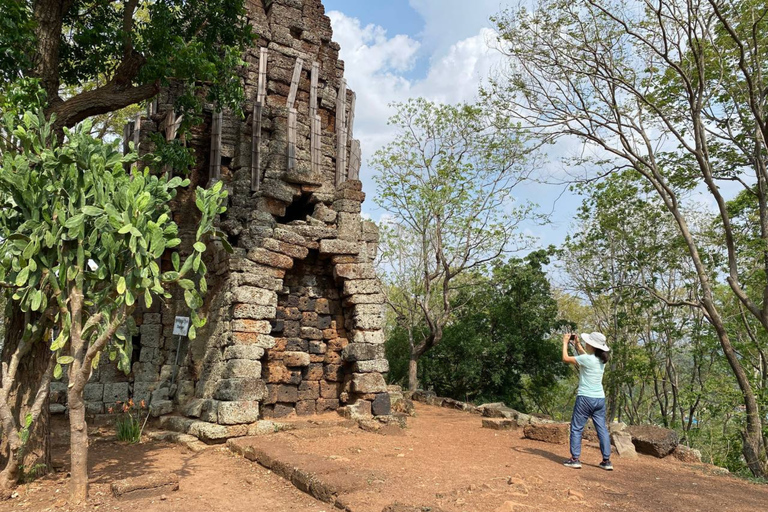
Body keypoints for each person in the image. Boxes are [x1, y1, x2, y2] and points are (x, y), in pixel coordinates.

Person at [561, 331, 613, 470]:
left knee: (577, 428)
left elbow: (566, 358)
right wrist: (577, 344)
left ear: (591, 345)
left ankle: (575, 459)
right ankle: (606, 461)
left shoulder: (587, 359)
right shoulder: (602, 360)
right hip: (599, 399)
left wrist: (565, 342)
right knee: (602, 429)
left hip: (585, 398)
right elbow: (585, 356)